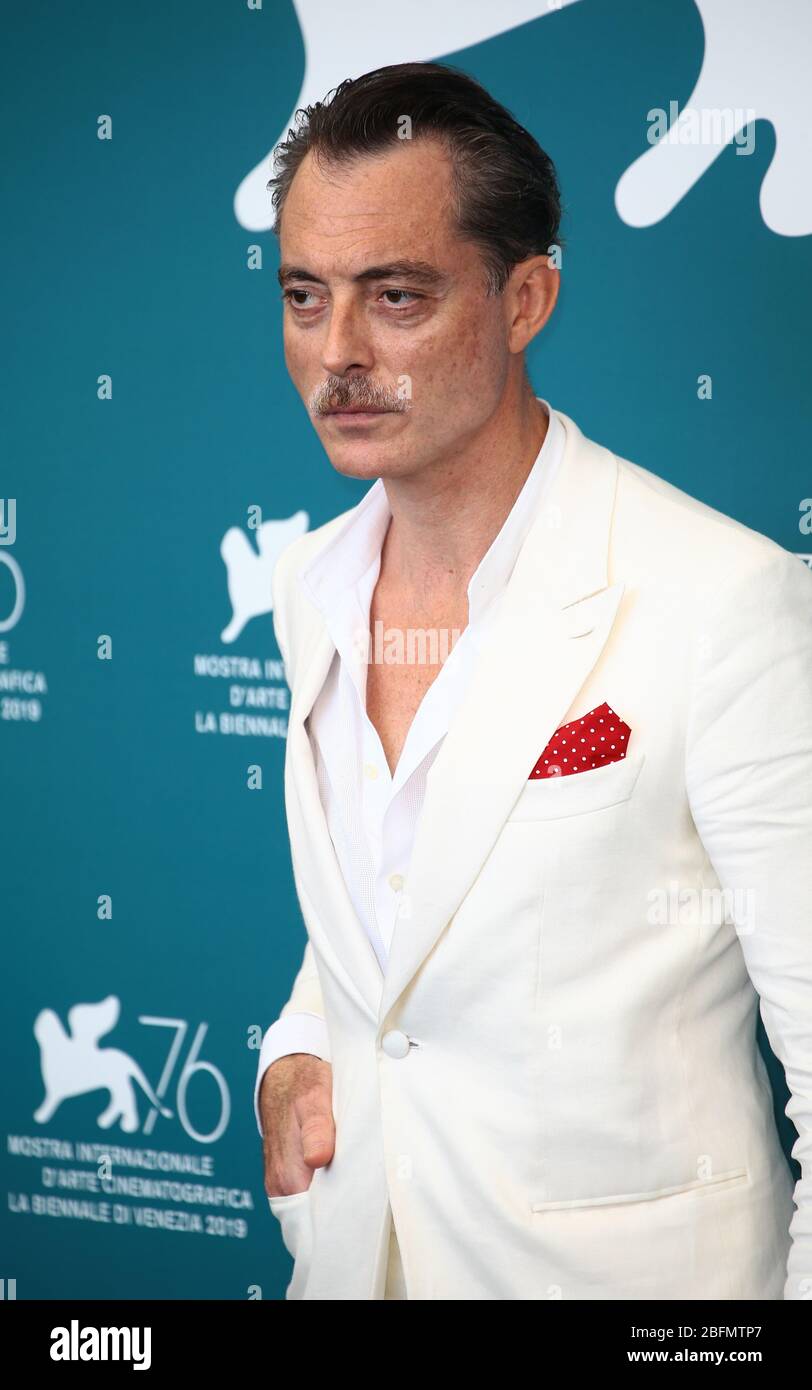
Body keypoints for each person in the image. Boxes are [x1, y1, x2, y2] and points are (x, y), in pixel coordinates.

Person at [253, 60, 812, 1300]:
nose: (338, 353)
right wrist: (297, 1050)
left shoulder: (719, 601)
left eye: (394, 297)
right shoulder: (308, 585)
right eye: (304, 296)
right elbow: (396, 903)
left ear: (525, 298)